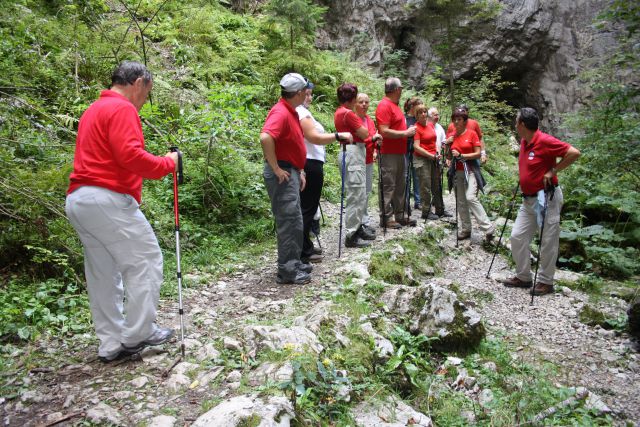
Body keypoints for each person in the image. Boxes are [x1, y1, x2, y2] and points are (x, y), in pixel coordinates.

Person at [65, 61, 178, 362]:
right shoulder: (122, 108)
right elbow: (130, 156)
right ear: (138, 82)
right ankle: (139, 332)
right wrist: (168, 162)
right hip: (107, 198)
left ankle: (111, 343)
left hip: (80, 199)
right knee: (145, 260)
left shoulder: (93, 109)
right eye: (147, 93)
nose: (144, 101)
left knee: (103, 272)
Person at [499, 107, 580, 296]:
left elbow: (574, 152)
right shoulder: (524, 142)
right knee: (517, 236)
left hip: (547, 198)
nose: (515, 124)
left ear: (522, 124)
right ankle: (524, 276)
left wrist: (554, 171)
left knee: (548, 240)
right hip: (528, 200)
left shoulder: (544, 140)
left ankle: (546, 281)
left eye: (516, 121)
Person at [260, 73, 314, 285]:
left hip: (289, 171)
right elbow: (266, 137)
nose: (307, 94)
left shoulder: (289, 110)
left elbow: (290, 144)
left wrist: (298, 171)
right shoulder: (281, 112)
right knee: (288, 221)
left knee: (295, 220)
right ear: (299, 92)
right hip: (282, 173)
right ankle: (287, 270)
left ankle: (293, 261)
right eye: (305, 91)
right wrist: (276, 168)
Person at [297, 84, 353, 263]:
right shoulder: (301, 113)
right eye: (307, 94)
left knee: (308, 207)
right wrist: (337, 136)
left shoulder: (303, 112)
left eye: (311, 95)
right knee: (307, 208)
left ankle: (305, 245)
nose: (310, 98)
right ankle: (303, 250)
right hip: (310, 162)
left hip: (312, 162)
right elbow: (314, 137)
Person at [334, 83, 374, 248]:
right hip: (353, 152)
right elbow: (365, 133)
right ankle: (351, 234)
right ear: (352, 98)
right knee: (355, 194)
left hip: (351, 151)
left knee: (359, 193)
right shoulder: (348, 113)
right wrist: (364, 131)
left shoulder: (339, 112)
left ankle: (357, 229)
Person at [446, 108, 495, 240]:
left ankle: (488, 228)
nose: (456, 122)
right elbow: (449, 156)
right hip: (457, 171)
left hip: (471, 170)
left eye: (459, 119)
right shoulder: (452, 135)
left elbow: (478, 153)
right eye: (454, 119)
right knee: (461, 201)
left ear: (464, 121)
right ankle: (466, 229)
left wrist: (463, 155)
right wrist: (447, 145)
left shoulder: (472, 134)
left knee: (470, 197)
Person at [375, 77, 417, 228]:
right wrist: (405, 133)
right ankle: (386, 217)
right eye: (401, 88)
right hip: (389, 153)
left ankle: (400, 214)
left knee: (400, 184)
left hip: (400, 152)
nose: (401, 91)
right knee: (388, 185)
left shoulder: (395, 106)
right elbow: (384, 131)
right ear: (396, 89)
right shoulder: (384, 105)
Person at [354, 92, 382, 232]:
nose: (364, 104)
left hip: (369, 158)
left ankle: (364, 220)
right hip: (357, 159)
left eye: (366, 102)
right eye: (361, 102)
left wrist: (376, 148)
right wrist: (372, 139)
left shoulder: (370, 120)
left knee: (366, 191)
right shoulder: (354, 120)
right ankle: (358, 223)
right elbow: (359, 140)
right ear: (355, 104)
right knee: (358, 191)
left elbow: (373, 136)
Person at [413, 105, 444, 220]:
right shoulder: (416, 128)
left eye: (425, 112)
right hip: (422, 159)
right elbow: (416, 147)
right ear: (416, 115)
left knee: (437, 184)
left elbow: (434, 141)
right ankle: (426, 212)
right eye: (420, 112)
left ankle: (440, 209)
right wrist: (430, 155)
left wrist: (436, 152)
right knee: (425, 185)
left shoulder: (430, 125)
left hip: (433, 157)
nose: (423, 114)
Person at [404, 97, 423, 210]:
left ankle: (418, 201)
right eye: (418, 106)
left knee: (417, 176)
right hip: (405, 150)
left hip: (417, 150)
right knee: (406, 176)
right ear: (412, 106)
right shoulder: (403, 118)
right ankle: (405, 201)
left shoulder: (419, 119)